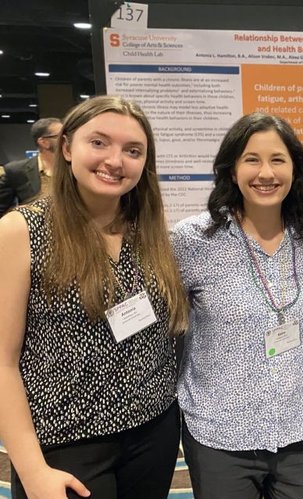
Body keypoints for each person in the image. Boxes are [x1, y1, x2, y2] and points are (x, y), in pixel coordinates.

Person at [0, 96, 188, 498]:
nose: (115, 160)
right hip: (65, 441)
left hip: (152, 433)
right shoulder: (22, 230)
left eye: (132, 150)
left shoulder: (149, 231)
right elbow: (2, 361)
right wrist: (32, 471)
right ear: (66, 148)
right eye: (99, 143)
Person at [170, 113, 303, 498]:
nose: (266, 173)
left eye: (278, 159)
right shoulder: (193, 239)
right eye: (251, 159)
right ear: (232, 168)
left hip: (299, 430)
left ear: (295, 168)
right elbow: (167, 326)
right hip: (221, 432)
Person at [0, 117, 63, 216]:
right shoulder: (17, 171)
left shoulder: (75, 167)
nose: (66, 139)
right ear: (43, 142)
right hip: (35, 229)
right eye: (60, 136)